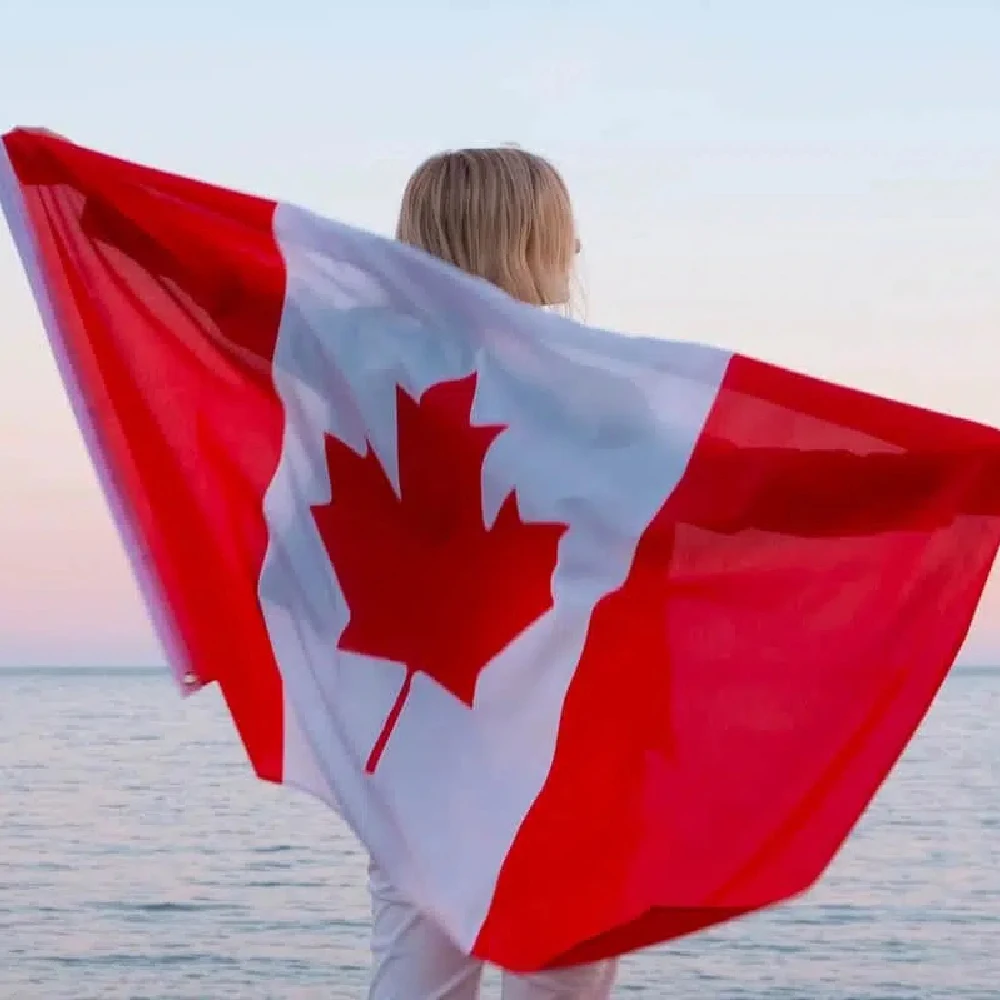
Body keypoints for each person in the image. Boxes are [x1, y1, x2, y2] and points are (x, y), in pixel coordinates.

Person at [363, 148, 618, 999]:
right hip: (562, 731)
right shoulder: (587, 390)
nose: (575, 249)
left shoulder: (360, 389)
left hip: (418, 734)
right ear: (519, 241)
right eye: (561, 229)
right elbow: (714, 498)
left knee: (415, 979)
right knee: (559, 980)